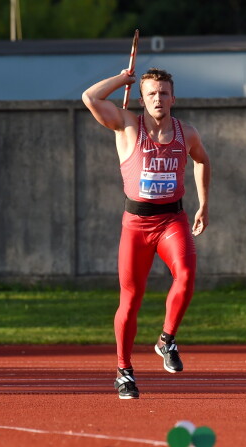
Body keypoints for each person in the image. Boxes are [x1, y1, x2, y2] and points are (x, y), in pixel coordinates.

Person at [82, 68, 211, 399]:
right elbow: (90, 97)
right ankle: (124, 372)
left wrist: (203, 204)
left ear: (173, 98)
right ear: (142, 99)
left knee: (186, 275)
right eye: (152, 93)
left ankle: (167, 339)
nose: (158, 99)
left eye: (164, 93)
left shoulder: (187, 132)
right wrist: (120, 79)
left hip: (172, 220)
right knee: (131, 300)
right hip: (137, 226)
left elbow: (202, 161)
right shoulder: (127, 125)